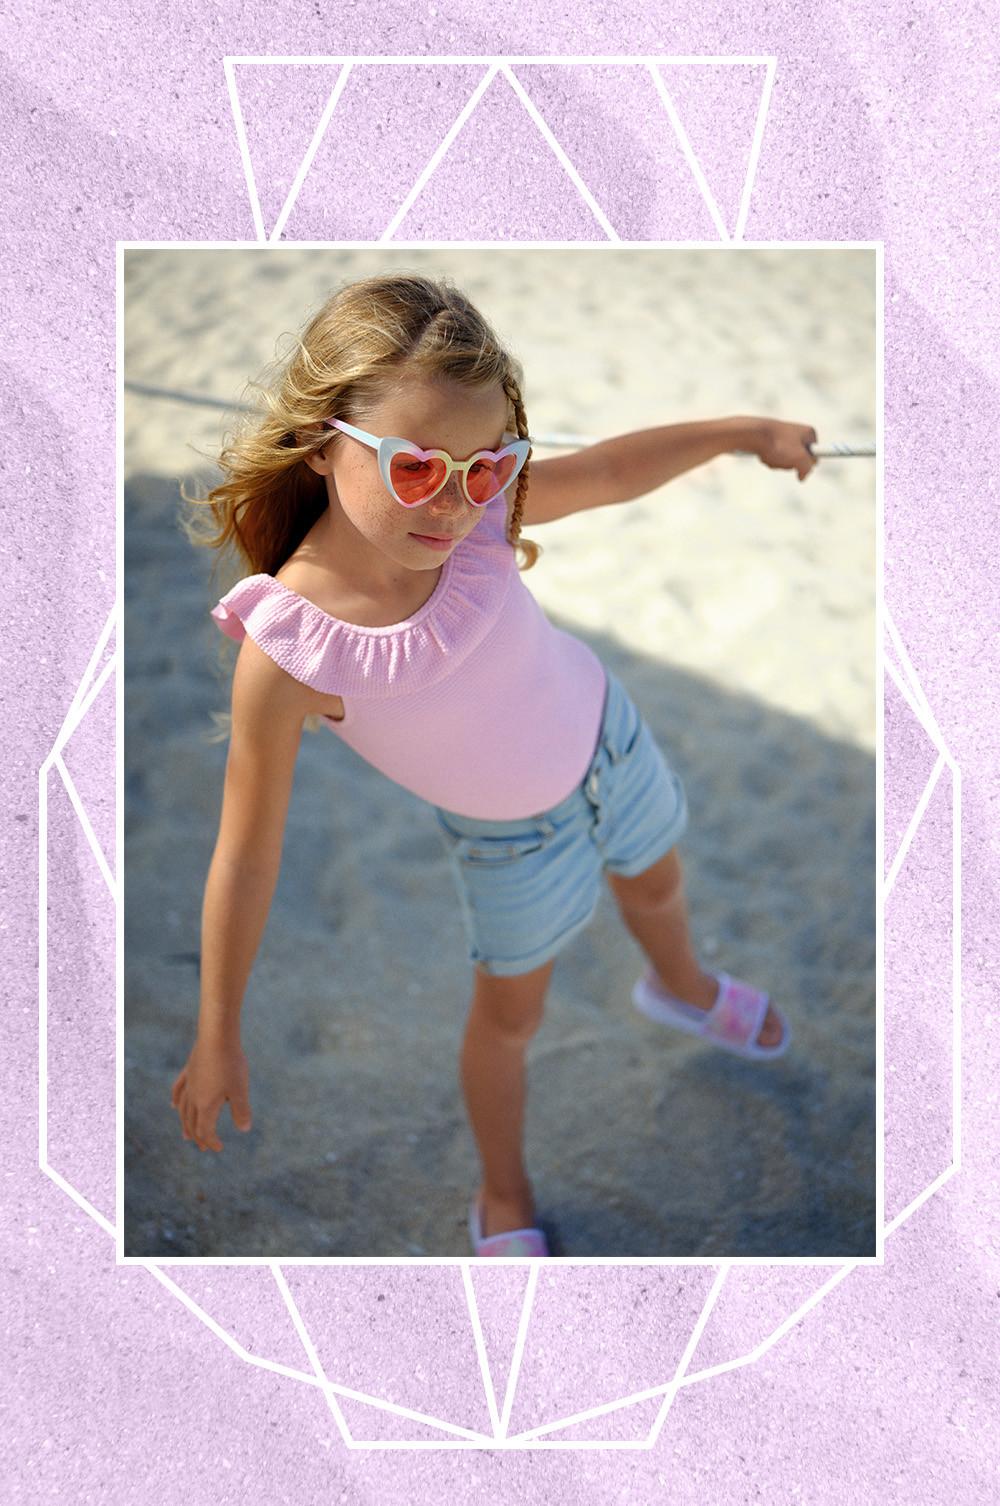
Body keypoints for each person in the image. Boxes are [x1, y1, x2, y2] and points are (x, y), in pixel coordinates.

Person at [170, 271, 818, 1257]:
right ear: (320, 437)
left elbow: (602, 473)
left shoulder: (478, 515)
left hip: (610, 737)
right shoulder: (289, 649)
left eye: (488, 465)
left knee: (657, 880)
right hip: (514, 842)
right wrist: (217, 1027)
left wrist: (742, 429)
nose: (455, 502)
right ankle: (504, 1196)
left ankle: (681, 985)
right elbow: (245, 856)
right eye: (416, 467)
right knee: (509, 1023)